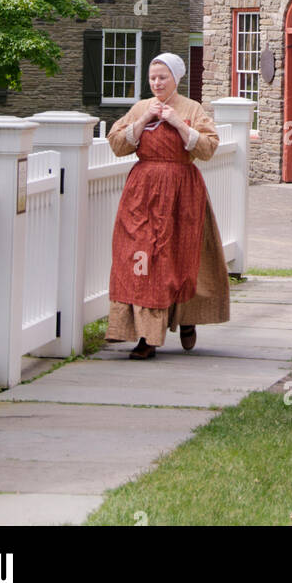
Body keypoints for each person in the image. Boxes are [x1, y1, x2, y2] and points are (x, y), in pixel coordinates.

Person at [103, 52, 230, 359]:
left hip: (181, 191)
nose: (157, 83)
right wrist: (145, 119)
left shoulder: (191, 109)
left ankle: (186, 316)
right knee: (141, 255)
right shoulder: (140, 108)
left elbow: (208, 148)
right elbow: (117, 144)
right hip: (142, 193)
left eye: (163, 77)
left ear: (176, 78)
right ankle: (146, 335)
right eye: (152, 78)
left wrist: (177, 123)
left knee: (179, 257)